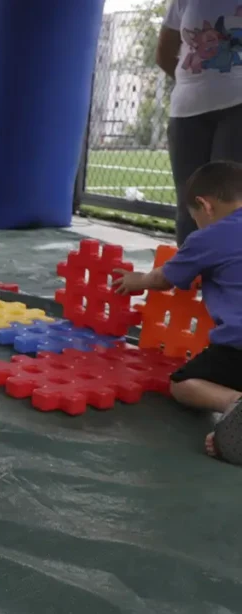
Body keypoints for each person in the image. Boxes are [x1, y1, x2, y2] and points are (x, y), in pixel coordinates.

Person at [112, 161, 242, 465]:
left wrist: (137, 281)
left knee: (182, 384)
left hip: (238, 346)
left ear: (204, 206)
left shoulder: (209, 238)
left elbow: (164, 278)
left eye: (195, 218)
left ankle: (235, 404)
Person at [157, 1, 242, 246]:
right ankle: (188, 278)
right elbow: (164, 52)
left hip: (238, 108)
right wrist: (194, 84)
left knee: (228, 200)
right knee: (190, 202)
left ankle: (228, 278)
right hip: (187, 111)